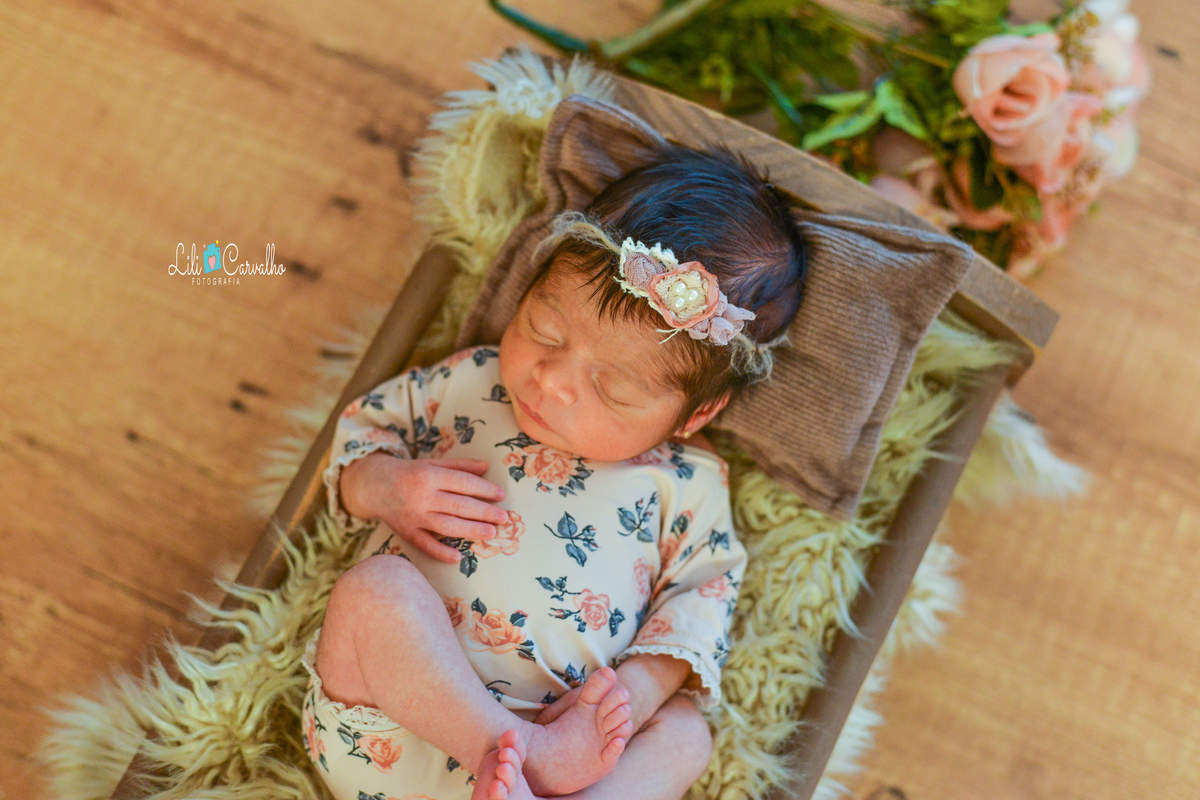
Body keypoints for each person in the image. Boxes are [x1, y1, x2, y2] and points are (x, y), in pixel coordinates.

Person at [299, 143, 808, 800]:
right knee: (375, 592)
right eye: (543, 329)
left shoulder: (689, 481)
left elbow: (698, 607)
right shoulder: (470, 380)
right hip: (386, 725)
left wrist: (629, 697)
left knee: (685, 734)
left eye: (615, 389)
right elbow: (359, 439)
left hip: (569, 748)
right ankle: (509, 751)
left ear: (694, 413)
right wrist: (384, 486)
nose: (552, 382)